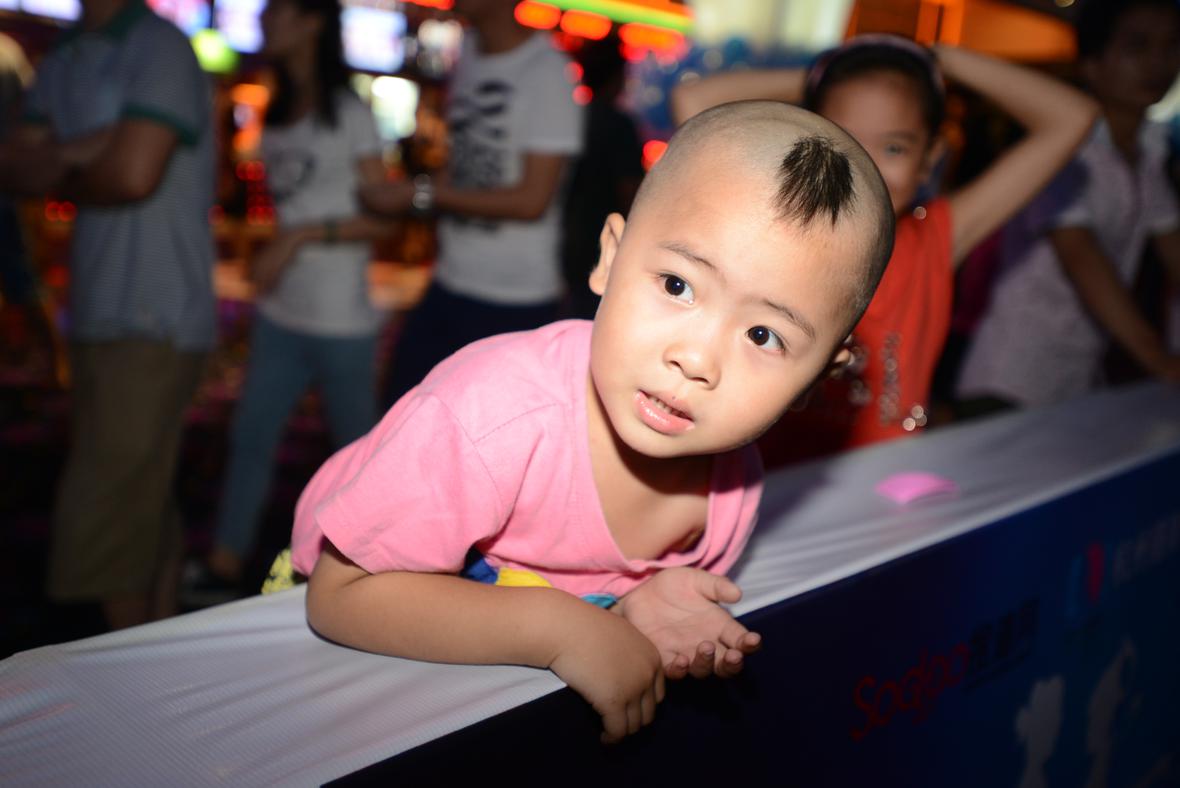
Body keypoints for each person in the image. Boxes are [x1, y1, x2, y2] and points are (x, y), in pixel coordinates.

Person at [291, 101, 896, 743]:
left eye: (762, 335)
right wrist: (559, 629)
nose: (695, 360)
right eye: (677, 286)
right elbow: (339, 597)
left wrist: (641, 598)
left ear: (818, 376)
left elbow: (587, 580)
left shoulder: (730, 489)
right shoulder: (493, 415)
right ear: (610, 256)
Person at [671, 36, 1098, 464]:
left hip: (887, 484)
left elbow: (1073, 117)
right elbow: (694, 102)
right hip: (769, 478)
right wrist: (833, 74)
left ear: (930, 158)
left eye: (894, 147)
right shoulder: (775, 232)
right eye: (840, 137)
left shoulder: (934, 240)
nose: (865, 165)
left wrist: (937, 58)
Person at [0, 0, 216, 630]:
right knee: (142, 493)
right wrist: (94, 148)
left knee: (107, 507)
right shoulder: (65, 54)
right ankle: (162, 647)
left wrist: (64, 159)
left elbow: (130, 176)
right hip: (99, 303)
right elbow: (15, 167)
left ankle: (133, 674)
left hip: (156, 312)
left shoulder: (160, 48)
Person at [188, 0, 393, 600]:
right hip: (281, 311)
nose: (263, 20)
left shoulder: (349, 112)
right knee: (250, 438)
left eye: (276, 11)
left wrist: (301, 237)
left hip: (342, 321)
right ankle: (225, 567)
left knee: (360, 460)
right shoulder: (277, 110)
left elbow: (383, 220)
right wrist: (275, 249)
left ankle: (376, 579)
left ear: (312, 22)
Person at [956, 0, 1180, 412]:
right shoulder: (1065, 150)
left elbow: (1173, 246)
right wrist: (1157, 358)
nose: (1158, 62)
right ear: (1092, 65)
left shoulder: (1150, 148)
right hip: (1012, 378)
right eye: (1138, 46)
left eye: (1171, 46)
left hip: (1080, 376)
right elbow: (1081, 256)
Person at [360, 0, 583, 408]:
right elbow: (462, 163)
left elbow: (532, 200)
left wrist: (421, 194)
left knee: (486, 433)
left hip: (514, 297)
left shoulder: (547, 72)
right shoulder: (468, 52)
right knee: (402, 414)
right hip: (451, 277)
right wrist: (414, 194)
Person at [560, 34, 646, 320]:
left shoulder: (573, 115)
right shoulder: (619, 124)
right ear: (617, 77)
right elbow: (629, 190)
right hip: (604, 235)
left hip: (569, 232)